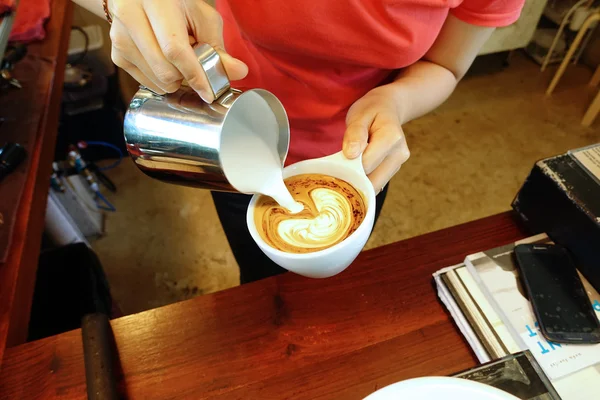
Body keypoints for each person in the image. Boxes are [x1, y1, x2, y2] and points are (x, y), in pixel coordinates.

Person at [74, 0, 525, 283]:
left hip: (358, 155)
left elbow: (446, 65)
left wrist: (396, 100)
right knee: (259, 280)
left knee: (331, 282)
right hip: (231, 142)